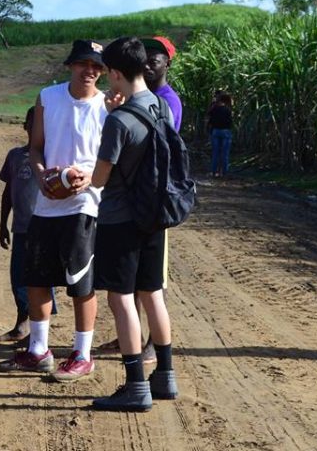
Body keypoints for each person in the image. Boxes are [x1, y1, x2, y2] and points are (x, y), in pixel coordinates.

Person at [0, 40, 110, 381]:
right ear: (70, 66)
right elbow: (35, 148)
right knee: (37, 279)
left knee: (80, 282)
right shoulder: (48, 97)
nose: (89, 71)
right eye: (83, 64)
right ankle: (38, 350)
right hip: (46, 204)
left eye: (96, 66)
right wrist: (42, 173)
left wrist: (89, 177)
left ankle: (82, 354)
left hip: (86, 204)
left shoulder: (108, 106)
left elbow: (112, 159)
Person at [89, 36, 178, 411]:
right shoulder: (163, 107)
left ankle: (135, 386)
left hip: (120, 219)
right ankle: (166, 376)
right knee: (152, 292)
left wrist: (111, 117)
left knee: (120, 298)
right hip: (154, 216)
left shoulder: (120, 120)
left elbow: (99, 178)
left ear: (115, 73)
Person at [0, 107, 56, 343]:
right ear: (25, 126)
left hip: (44, 229)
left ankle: (39, 331)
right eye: (32, 123)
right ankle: (22, 324)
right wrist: (2, 224)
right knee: (18, 277)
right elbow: (7, 193)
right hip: (20, 228)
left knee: (42, 279)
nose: (36, 128)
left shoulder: (51, 157)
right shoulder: (15, 156)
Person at [207, 92, 233, 177]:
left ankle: (214, 172)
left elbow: (210, 120)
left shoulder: (214, 109)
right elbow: (230, 122)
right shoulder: (227, 110)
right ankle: (224, 173)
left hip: (216, 131)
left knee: (215, 153)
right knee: (225, 154)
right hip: (226, 132)